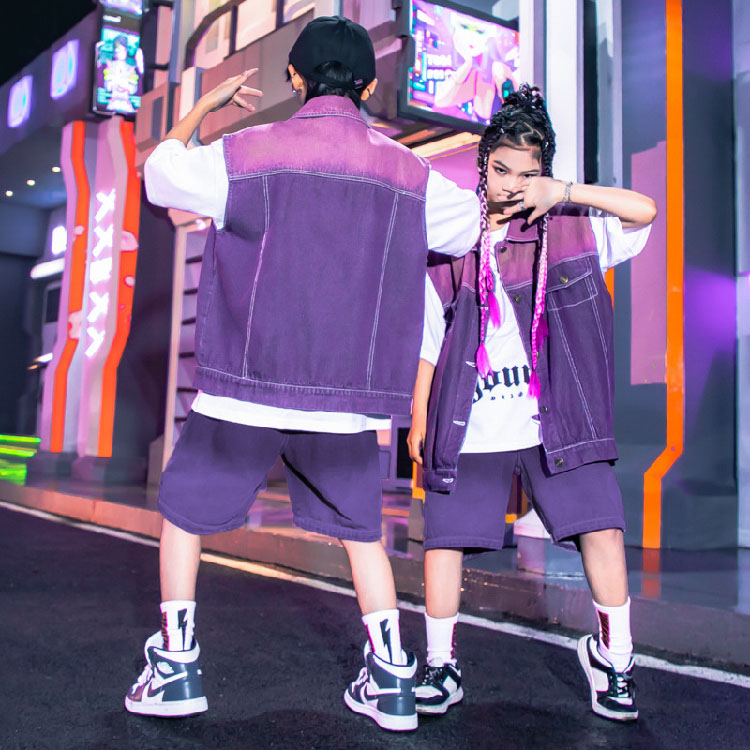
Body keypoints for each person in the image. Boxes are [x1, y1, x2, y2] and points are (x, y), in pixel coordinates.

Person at [124, 16, 480, 733]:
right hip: (348, 400)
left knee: (185, 516)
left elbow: (160, 175)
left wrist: (203, 108)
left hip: (244, 387)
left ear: (295, 77)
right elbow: (466, 229)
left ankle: (176, 667)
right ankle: (392, 680)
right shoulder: (409, 172)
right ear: (370, 86)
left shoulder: (246, 150)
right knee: (361, 535)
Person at [407, 84, 657, 722]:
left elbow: (645, 211)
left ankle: (615, 663)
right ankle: (440, 665)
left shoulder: (571, 229)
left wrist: (564, 192)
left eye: (529, 173)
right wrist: (418, 414)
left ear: (543, 174)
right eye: (502, 170)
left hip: (558, 420)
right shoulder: (455, 237)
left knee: (602, 530)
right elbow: (430, 336)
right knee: (444, 541)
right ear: (482, 165)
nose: (513, 184)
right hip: (470, 419)